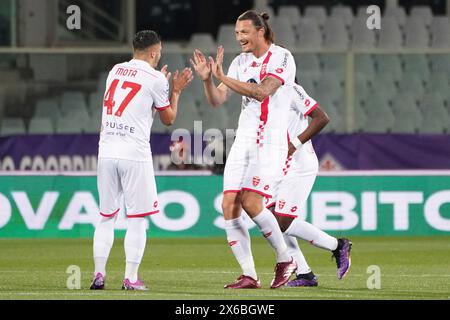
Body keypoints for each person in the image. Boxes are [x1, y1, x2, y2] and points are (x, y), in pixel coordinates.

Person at [191, 10, 297, 289]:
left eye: (244, 32)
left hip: (271, 142)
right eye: (237, 33)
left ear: (260, 31)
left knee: (251, 202)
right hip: (244, 141)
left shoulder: (282, 57)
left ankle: (285, 259)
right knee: (229, 204)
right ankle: (249, 274)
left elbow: (262, 91)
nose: (240, 38)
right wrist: (207, 80)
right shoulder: (240, 61)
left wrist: (223, 77)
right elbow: (217, 101)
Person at [90, 30, 193, 291]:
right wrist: (176, 91)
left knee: (106, 217)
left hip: (106, 151)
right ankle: (131, 278)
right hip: (134, 154)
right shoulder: (157, 78)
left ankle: (99, 275)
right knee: (136, 219)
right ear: (154, 52)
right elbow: (168, 119)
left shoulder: (115, 71)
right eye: (159, 52)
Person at [267, 82, 352, 287]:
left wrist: (293, 145)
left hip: (298, 164)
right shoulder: (265, 94)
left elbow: (322, 118)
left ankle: (338, 245)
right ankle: (304, 273)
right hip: (278, 166)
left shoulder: (291, 89)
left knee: (282, 222)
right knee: (270, 219)